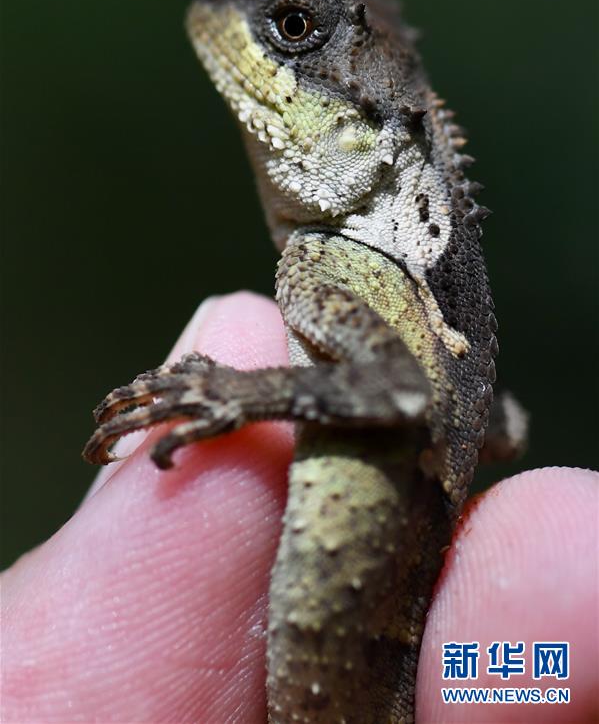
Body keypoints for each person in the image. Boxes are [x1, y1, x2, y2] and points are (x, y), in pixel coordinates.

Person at [2, 293, 597, 723]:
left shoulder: (343, 277)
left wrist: (235, 393)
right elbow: (504, 429)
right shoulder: (418, 309)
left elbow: (404, 392)